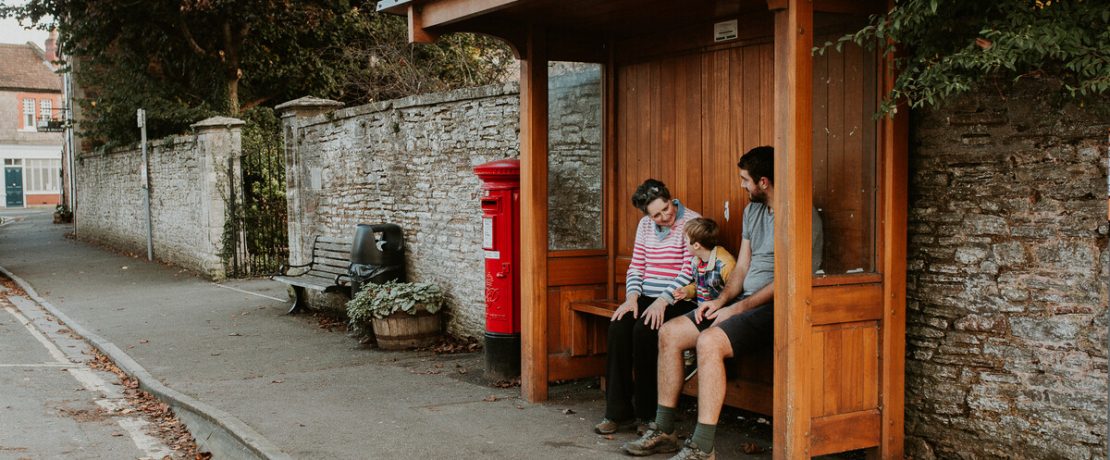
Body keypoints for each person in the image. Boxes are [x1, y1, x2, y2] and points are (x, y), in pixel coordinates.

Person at [622, 146, 823, 459]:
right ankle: (664, 429)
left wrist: (737, 308)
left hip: (780, 308)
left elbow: (790, 281)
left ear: (764, 182)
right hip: (742, 300)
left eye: (745, 180)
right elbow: (741, 268)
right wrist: (721, 300)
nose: (742, 185)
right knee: (670, 333)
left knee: (710, 342)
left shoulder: (799, 214)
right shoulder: (752, 211)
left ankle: (702, 447)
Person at [595, 179, 702, 435]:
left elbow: (689, 271)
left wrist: (662, 301)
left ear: (670, 198)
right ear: (647, 215)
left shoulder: (692, 221)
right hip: (645, 296)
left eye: (666, 208)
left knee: (645, 331)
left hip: (678, 298)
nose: (666, 216)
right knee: (619, 327)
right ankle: (619, 414)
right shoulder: (644, 226)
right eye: (657, 214)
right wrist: (631, 298)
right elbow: (637, 265)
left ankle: (648, 415)